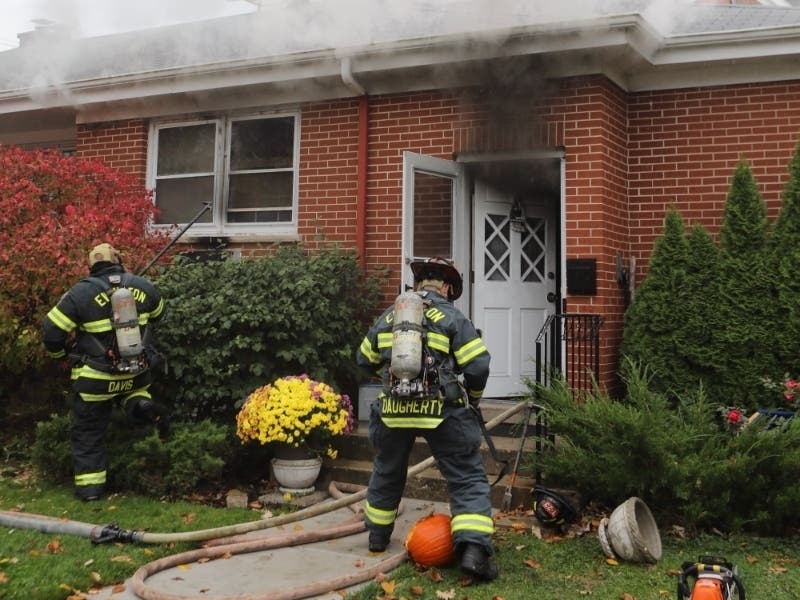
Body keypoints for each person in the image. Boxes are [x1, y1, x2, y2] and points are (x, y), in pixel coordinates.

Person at [355, 257, 498, 581]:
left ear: (418, 284)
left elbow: (363, 358)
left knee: (387, 471)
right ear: (446, 287)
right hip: (441, 411)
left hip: (392, 411)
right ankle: (473, 552)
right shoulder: (450, 315)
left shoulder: (391, 315)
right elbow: (478, 366)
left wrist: (389, 377)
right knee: (466, 477)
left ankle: (377, 537)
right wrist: (473, 401)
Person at [42, 242, 167, 501]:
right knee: (135, 393)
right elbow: (159, 313)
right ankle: (141, 406)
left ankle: (90, 490)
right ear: (118, 260)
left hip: (96, 381)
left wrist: (60, 354)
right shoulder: (141, 286)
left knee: (88, 432)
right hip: (135, 374)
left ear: (91, 266)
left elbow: (51, 330)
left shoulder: (81, 293)